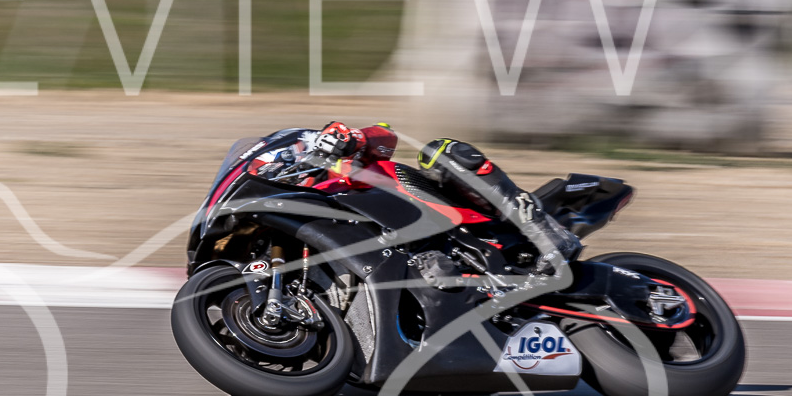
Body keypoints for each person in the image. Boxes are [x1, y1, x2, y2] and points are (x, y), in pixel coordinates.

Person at [248, 121, 580, 272]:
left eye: (273, 168)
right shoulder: (303, 222)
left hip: (461, 220)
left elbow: (386, 136)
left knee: (439, 151)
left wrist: (354, 137)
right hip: (414, 264)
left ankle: (547, 233)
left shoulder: (340, 165)